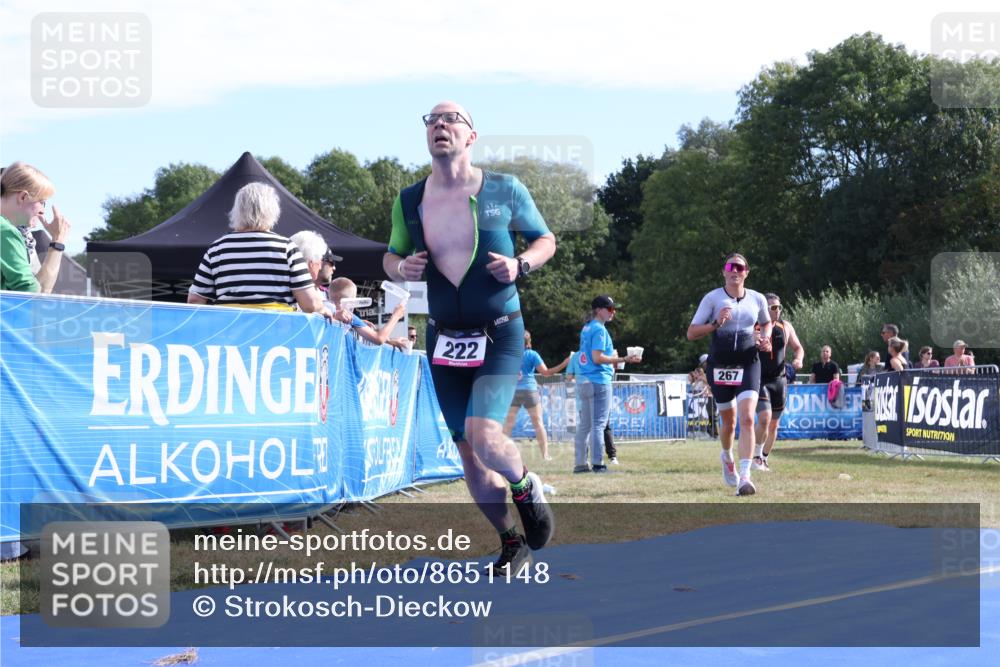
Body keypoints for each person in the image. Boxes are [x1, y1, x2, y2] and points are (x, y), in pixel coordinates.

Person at [383, 101, 557, 574]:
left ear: (471, 136)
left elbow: (545, 239)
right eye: (432, 120)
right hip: (444, 339)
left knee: (484, 435)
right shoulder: (410, 200)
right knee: (469, 455)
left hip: (500, 332)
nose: (440, 125)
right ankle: (509, 540)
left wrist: (522, 264)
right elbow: (391, 256)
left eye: (451, 119)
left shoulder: (503, 189)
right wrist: (401, 267)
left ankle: (525, 487)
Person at [687, 253, 771, 497]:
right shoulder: (712, 298)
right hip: (721, 364)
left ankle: (745, 477)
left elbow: (766, 323)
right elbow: (691, 333)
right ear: (723, 271)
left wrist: (764, 339)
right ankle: (726, 456)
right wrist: (715, 324)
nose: (735, 270)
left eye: (740, 267)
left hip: (748, 362)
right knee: (729, 422)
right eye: (730, 266)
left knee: (746, 418)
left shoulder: (757, 299)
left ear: (747, 272)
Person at [188, 183, 333, 321]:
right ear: (273, 211)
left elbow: (195, 300)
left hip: (230, 337)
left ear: (237, 210)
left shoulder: (216, 249)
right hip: (277, 337)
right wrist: (323, 310)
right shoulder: (287, 248)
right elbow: (309, 304)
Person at [574, 296, 640, 474]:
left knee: (585, 425)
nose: (613, 312)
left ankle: (580, 464)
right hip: (599, 381)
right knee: (598, 425)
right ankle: (598, 464)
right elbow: (597, 358)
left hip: (585, 380)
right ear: (599, 310)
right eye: (610, 308)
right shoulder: (599, 329)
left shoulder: (586, 328)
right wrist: (623, 359)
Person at [0, 162, 71, 293]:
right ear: (23, 197)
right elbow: (31, 293)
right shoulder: (5, 231)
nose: (43, 211)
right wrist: (58, 241)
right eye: (42, 201)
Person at [753, 293, 804, 472]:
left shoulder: (786, 326)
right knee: (765, 417)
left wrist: (799, 359)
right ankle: (756, 456)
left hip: (780, 380)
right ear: (764, 309)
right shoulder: (755, 327)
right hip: (759, 378)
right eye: (773, 307)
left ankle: (764, 458)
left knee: (774, 423)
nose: (777, 310)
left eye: (779, 307)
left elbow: (798, 348)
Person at [503, 331, 569, 460]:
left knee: (508, 424)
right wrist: (564, 363)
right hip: (529, 390)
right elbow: (546, 373)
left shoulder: (509, 354)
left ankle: (501, 454)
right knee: (538, 424)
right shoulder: (532, 354)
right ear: (529, 342)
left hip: (514, 391)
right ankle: (545, 455)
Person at [566, 347, 620, 463]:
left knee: (586, 428)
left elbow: (569, 377)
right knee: (602, 427)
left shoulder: (576, 356)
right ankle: (607, 458)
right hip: (600, 393)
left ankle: (583, 460)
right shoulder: (599, 356)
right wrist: (615, 359)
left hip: (584, 396)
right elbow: (609, 372)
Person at [327, 277, 408, 350]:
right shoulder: (350, 316)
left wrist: (359, 321)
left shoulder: (321, 310)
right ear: (351, 302)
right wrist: (396, 316)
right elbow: (379, 339)